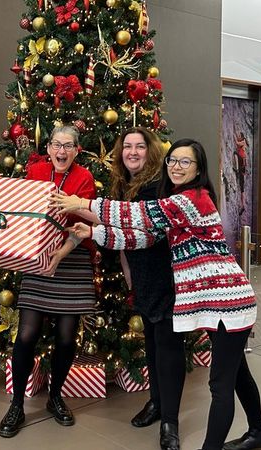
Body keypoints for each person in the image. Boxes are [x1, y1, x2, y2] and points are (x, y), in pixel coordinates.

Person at [50, 138, 261, 450]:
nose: (177, 167)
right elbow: (144, 237)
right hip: (215, 303)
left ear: (198, 170)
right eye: (173, 161)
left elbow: (138, 214)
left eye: (185, 162)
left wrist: (83, 204)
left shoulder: (193, 199)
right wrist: (95, 232)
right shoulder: (176, 202)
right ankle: (259, 432)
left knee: (220, 385)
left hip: (229, 303)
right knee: (236, 374)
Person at [0, 125, 97, 438]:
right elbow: (25, 215)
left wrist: (60, 254)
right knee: (26, 334)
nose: (62, 151)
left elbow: (82, 229)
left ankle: (55, 396)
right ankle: (16, 405)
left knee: (67, 338)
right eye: (56, 144)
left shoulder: (85, 179)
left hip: (72, 257)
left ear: (77, 150)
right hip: (39, 258)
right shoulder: (35, 171)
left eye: (68, 145)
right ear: (49, 147)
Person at [109, 127, 185, 450]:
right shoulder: (123, 184)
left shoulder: (156, 186)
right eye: (127, 146)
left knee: (167, 348)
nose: (133, 152)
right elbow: (122, 231)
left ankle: (170, 422)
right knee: (152, 343)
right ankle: (156, 402)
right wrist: (126, 266)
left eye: (140, 146)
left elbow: (146, 232)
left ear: (150, 151)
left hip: (165, 275)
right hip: (142, 275)